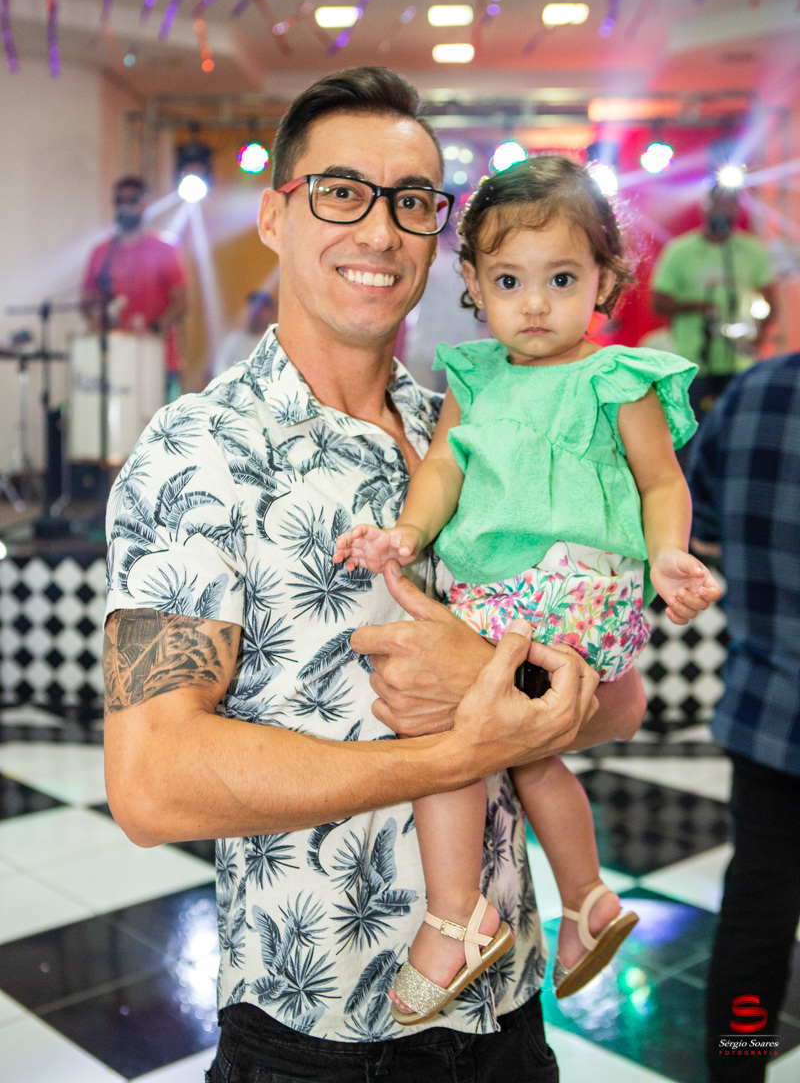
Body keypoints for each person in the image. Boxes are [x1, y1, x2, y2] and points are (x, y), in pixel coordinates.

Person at [103, 68, 648, 1083]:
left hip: (507, 1009)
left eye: (411, 202)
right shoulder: (198, 452)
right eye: (341, 192)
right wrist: (458, 748)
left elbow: (619, 702)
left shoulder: (478, 432)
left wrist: (484, 671)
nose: (380, 229)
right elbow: (150, 785)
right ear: (275, 215)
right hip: (319, 1026)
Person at [335, 156, 721, 1023]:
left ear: (606, 280)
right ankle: (588, 900)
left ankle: (457, 916)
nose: (535, 304)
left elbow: (661, 481)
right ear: (474, 283)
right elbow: (443, 467)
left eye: (562, 279)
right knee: (526, 753)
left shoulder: (614, 379)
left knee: (448, 734)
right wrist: (409, 532)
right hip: (498, 592)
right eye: (509, 281)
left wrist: (668, 554)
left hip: (570, 589)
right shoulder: (476, 378)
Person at [686, 354, 800, 1083]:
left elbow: (696, 527)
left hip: (768, 712)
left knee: (756, 922)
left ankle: (738, 1073)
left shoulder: (757, 389)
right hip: (768, 710)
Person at [651, 183, 774, 424]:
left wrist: (758, 338)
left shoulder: (751, 250)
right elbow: (658, 302)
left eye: (730, 204)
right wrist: (698, 307)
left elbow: (770, 300)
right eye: (718, 204)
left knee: (738, 426)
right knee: (696, 429)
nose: (724, 210)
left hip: (739, 361)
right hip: (693, 362)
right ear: (705, 208)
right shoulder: (680, 251)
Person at [82, 176, 189, 402]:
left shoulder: (164, 248)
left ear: (145, 204)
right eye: (119, 201)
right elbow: (87, 300)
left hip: (158, 359)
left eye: (131, 200)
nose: (125, 206)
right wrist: (96, 319)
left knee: (160, 422)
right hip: (113, 358)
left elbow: (181, 302)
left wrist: (153, 330)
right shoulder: (101, 253)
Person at [212, 287, 276, 377]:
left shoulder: (276, 342)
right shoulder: (233, 340)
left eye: (261, 309)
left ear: (271, 312)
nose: (257, 313)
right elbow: (219, 368)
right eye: (254, 308)